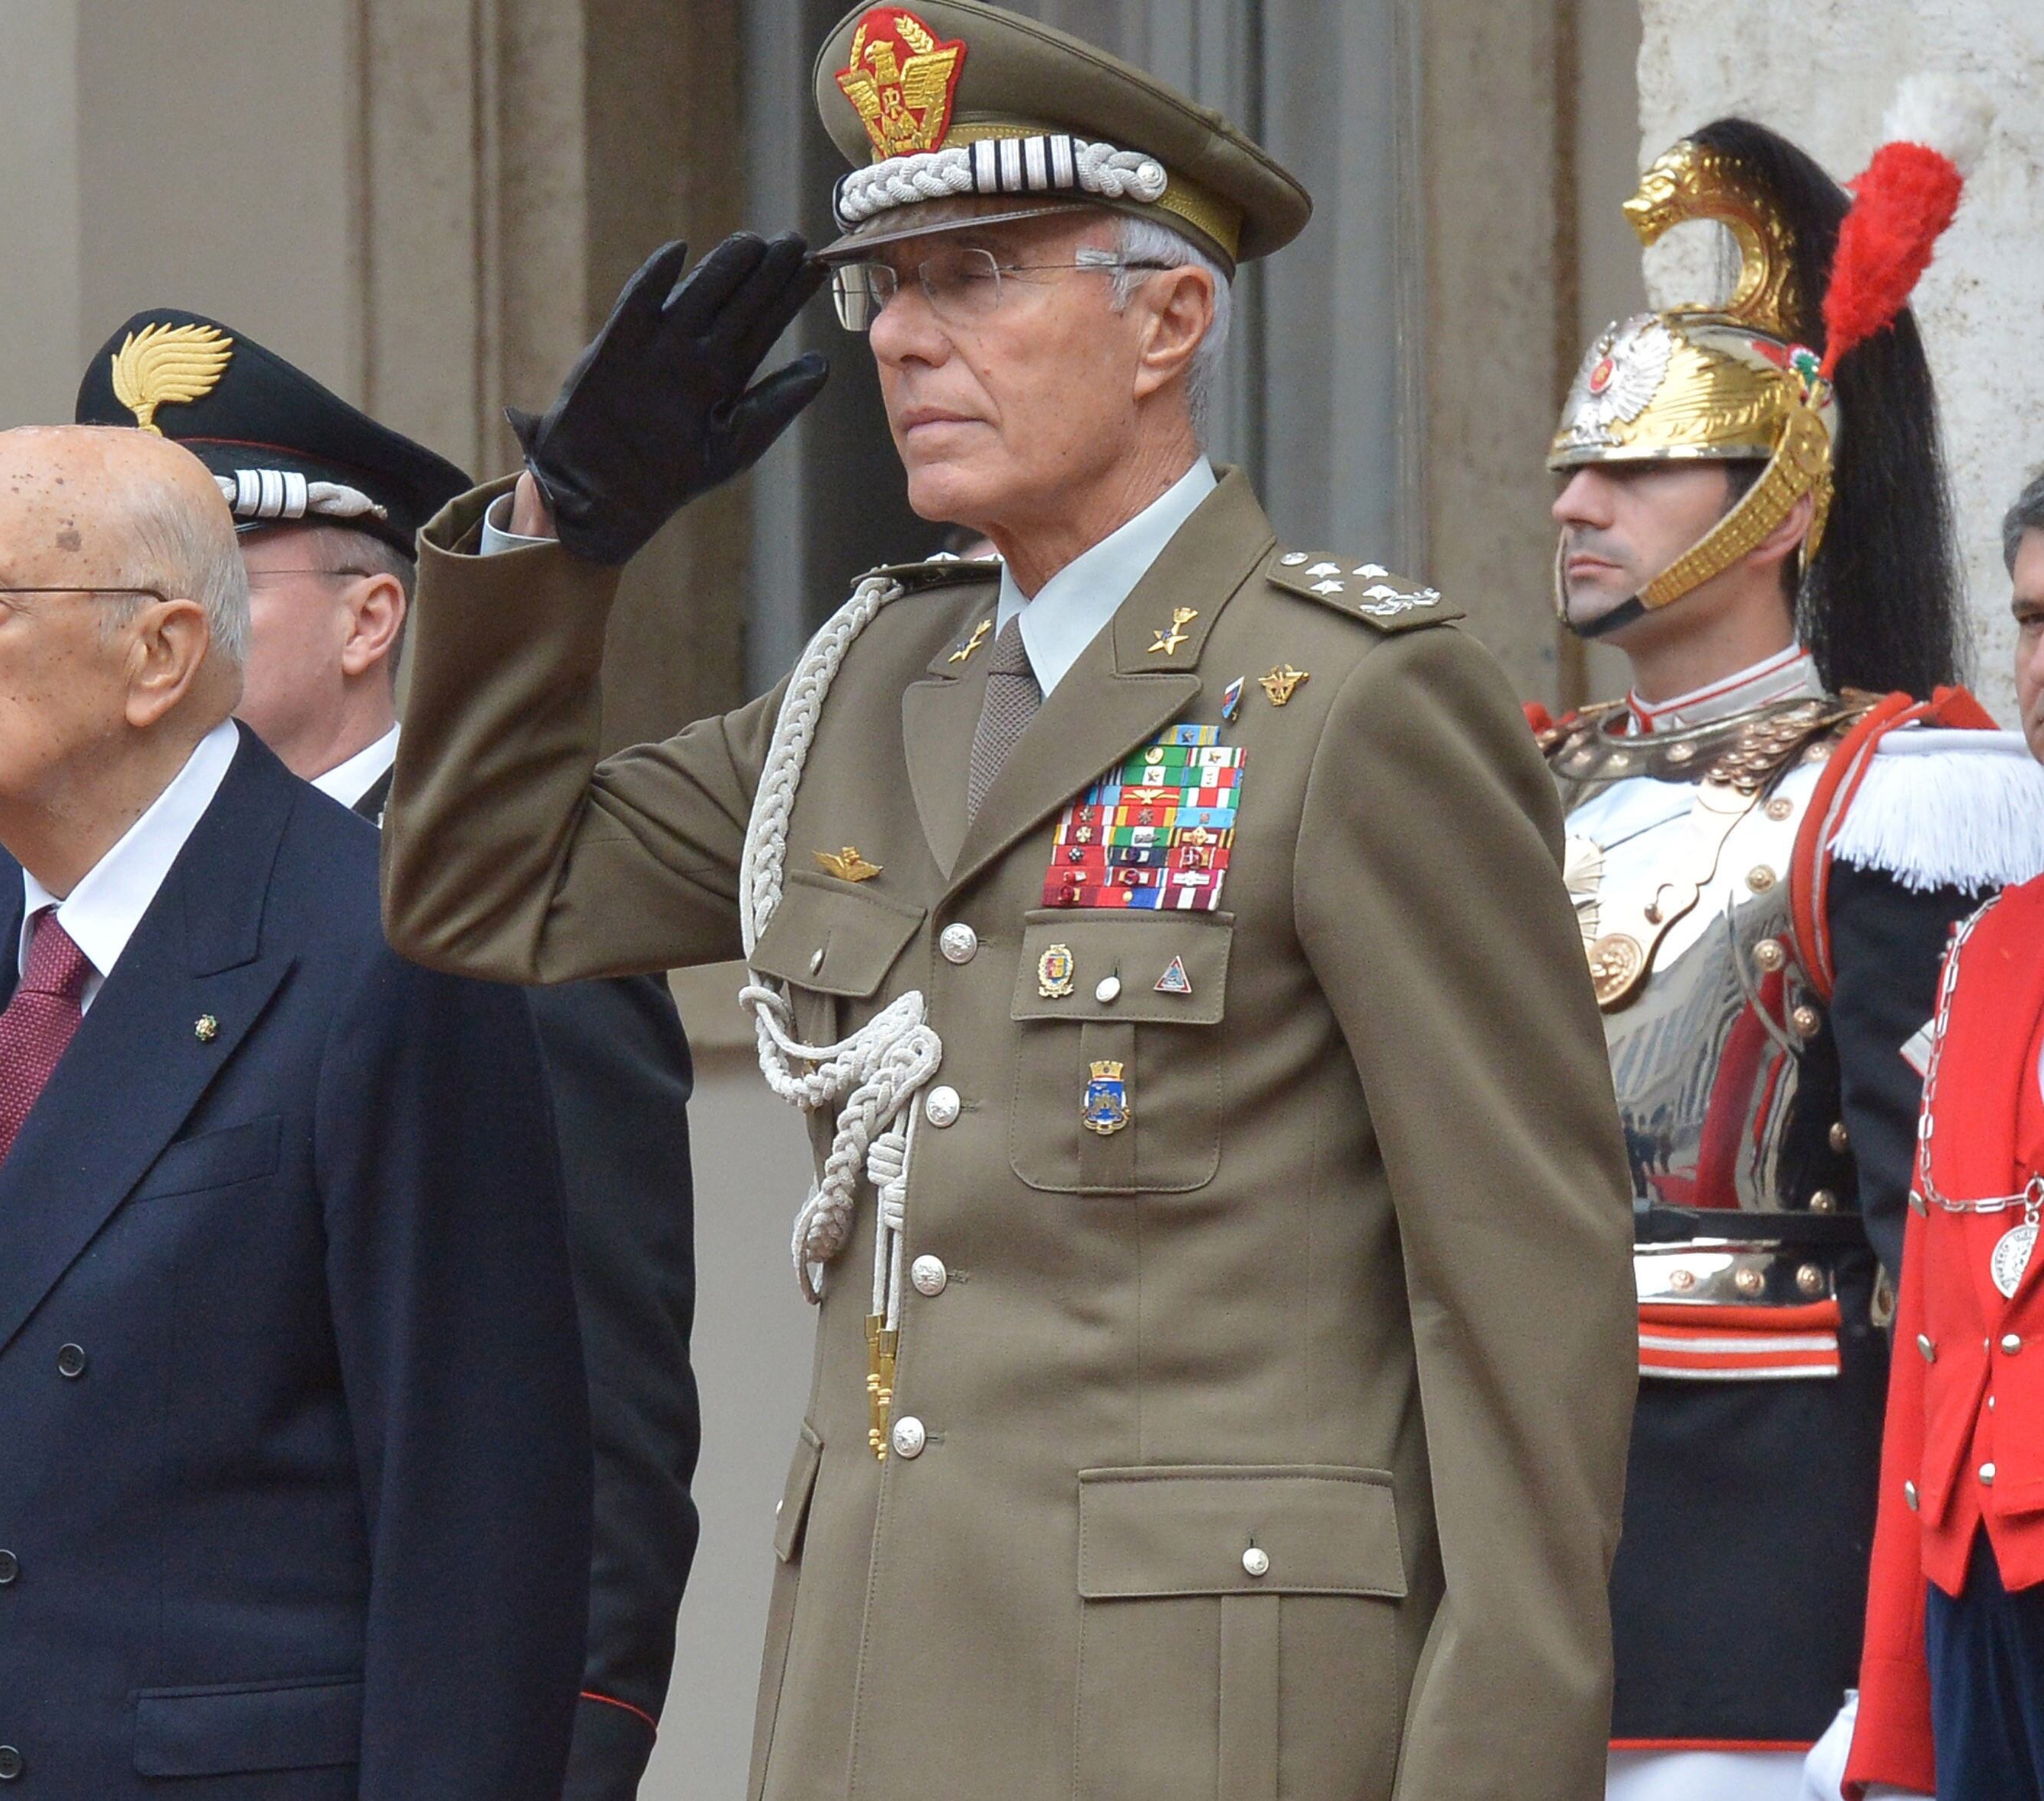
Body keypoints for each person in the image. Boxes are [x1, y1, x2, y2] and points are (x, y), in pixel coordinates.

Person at [378, 3, 1637, 1796]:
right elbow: (484, 893)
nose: (903, 335)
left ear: (1168, 318)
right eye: (881, 287)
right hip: (879, 1690)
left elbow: (1520, 1296)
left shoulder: (1350, 698)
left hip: (1215, 1718)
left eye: (976, 274)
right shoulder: (867, 684)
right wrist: (559, 541)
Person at [0, 311, 703, 1799]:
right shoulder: (1, 914)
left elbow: (555, 1439)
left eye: (207, 571)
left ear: (363, 619)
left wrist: (562, 1755)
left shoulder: (466, 922)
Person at [1535, 91, 2044, 1801]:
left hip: (1765, 1605)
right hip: (1508, 1578)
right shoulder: (1507, 777)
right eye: (1565, 470)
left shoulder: (1899, 797)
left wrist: (1895, 1675)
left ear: (1782, 485)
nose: (1576, 502)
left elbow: (1952, 1288)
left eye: (1631, 465)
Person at [1847, 470, 2044, 1799]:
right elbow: (1932, 1325)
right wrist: (1892, 1709)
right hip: (1979, 1574)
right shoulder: (1987, 946)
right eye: (2030, 622)